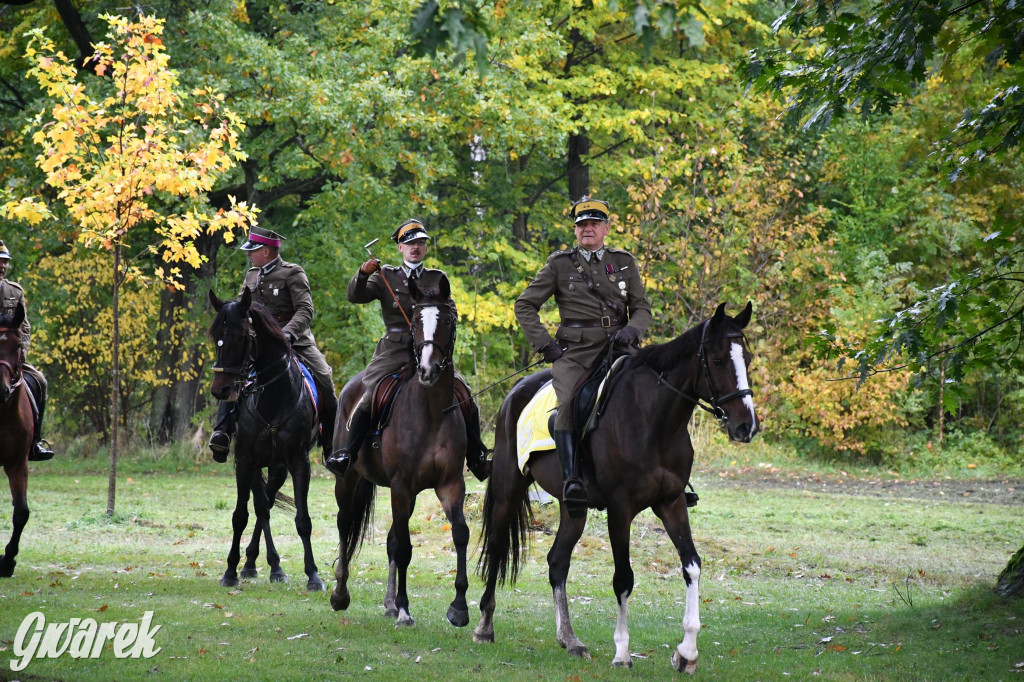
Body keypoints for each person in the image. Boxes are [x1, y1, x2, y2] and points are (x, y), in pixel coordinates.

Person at [324, 218, 489, 480]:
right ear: (400, 247)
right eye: (410, 242)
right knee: (368, 397)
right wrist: (363, 273)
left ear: (425, 248)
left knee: (464, 394)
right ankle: (349, 452)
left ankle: (477, 455)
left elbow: (451, 309)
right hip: (395, 350)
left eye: (421, 243)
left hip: (431, 350)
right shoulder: (386, 276)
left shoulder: (437, 278)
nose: (416, 247)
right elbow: (355, 296)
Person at [514, 197, 652, 509]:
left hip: (618, 349)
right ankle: (573, 478)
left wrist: (634, 329)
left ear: (606, 228)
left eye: (593, 224)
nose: (587, 229)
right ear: (575, 231)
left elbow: (641, 306)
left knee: (653, 394)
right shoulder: (560, 264)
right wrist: (544, 343)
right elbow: (524, 305)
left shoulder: (624, 261)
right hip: (575, 353)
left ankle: (670, 476)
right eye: (581, 225)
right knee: (569, 404)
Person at [208, 225, 338, 465]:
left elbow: (305, 309)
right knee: (231, 375)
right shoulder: (251, 275)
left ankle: (331, 442)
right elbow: (241, 308)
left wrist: (286, 334)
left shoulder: (292, 273)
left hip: (295, 342)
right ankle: (223, 432)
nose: (249, 255)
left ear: (266, 251)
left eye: (252, 250)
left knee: (325, 378)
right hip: (259, 346)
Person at [0, 240, 54, 461]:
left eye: (5, 262)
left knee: (40, 380)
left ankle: (36, 441)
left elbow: (25, 326)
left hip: (9, 356)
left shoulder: (15, 291)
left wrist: (22, 351)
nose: (2, 266)